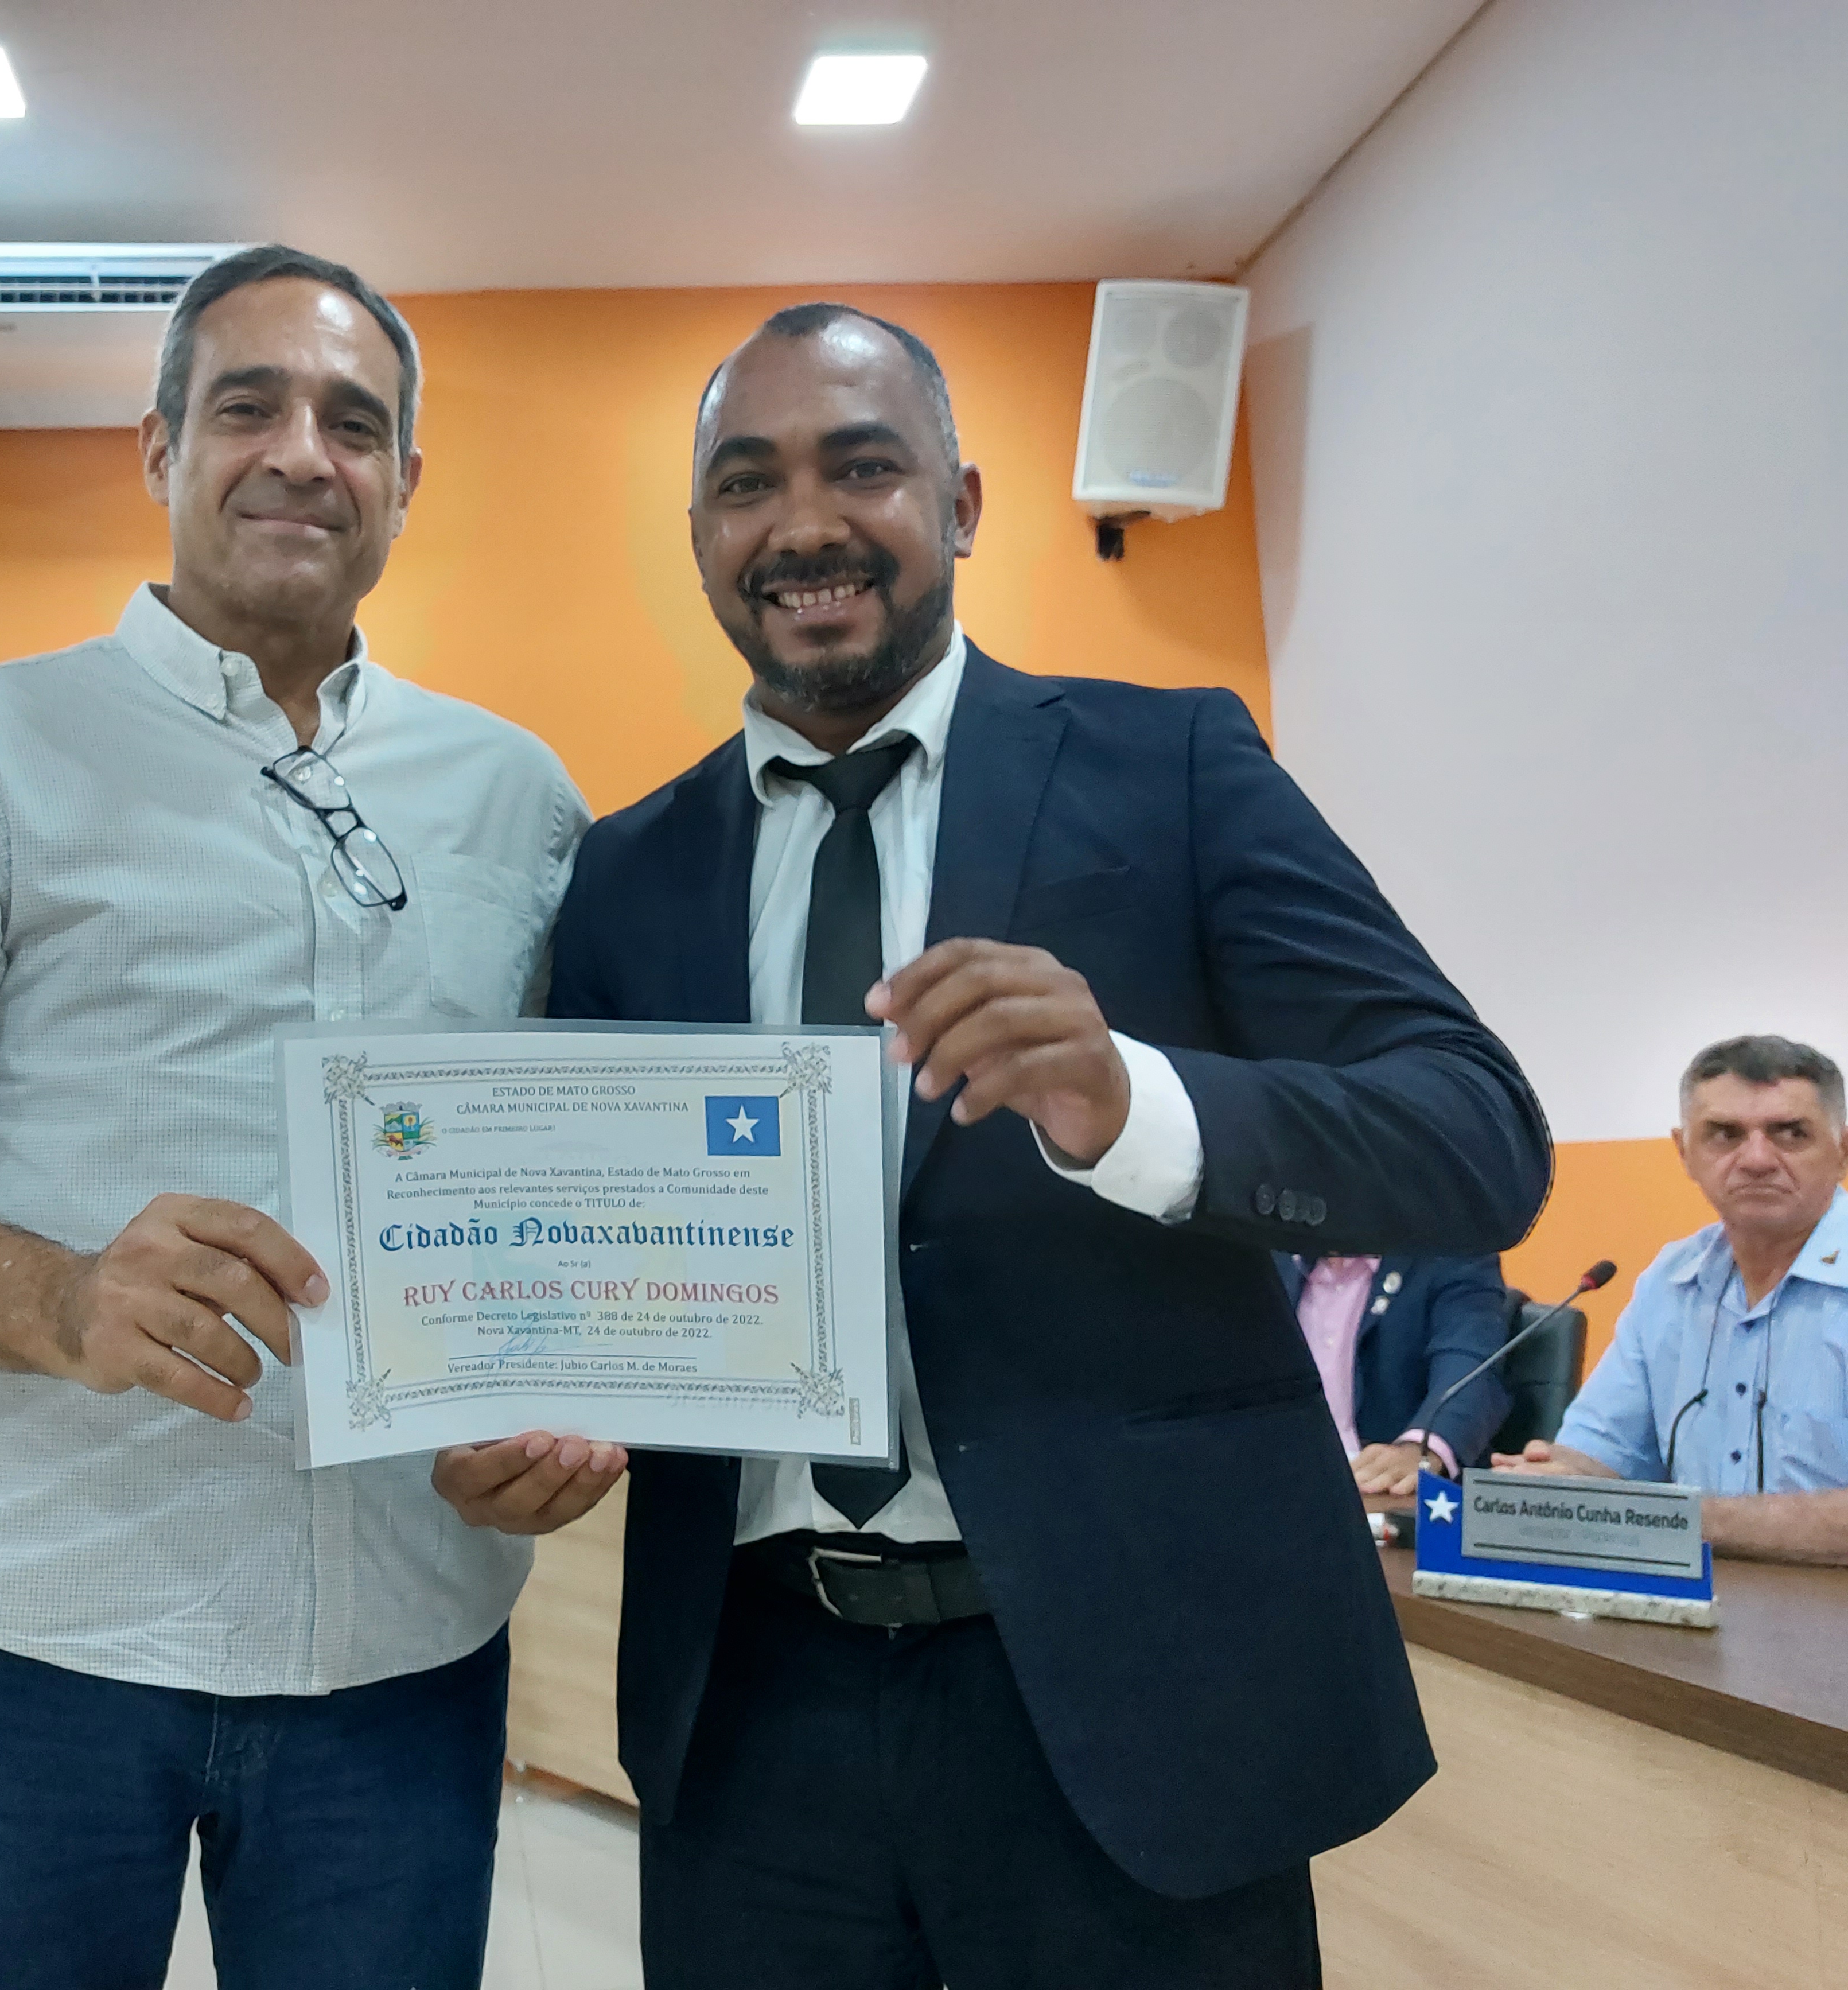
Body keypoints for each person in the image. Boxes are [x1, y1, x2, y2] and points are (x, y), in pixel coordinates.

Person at [542, 302, 1548, 1988]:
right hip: (751, 1718)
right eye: (746, 481)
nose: (802, 521)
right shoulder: (623, 871)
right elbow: (593, 1262)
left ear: (959, 503)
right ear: (700, 533)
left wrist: (1134, 1104)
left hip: (1135, 1703)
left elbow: (1474, 1136)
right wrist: (525, 1411)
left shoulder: (1171, 766)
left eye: (862, 466)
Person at [0, 244, 615, 1990]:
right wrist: (58, 1294)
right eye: (246, 406)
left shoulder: (513, 794)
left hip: (403, 1654)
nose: (300, 452)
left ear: (404, 479)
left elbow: (554, 1181)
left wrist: (547, 1403)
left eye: (350, 422)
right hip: (35, 1637)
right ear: (156, 448)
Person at [1493, 1034, 1848, 1564]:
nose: (1756, 1159)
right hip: (1687, 1599)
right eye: (1725, 1134)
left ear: (1842, 1150)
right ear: (1684, 1153)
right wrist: (1557, 1478)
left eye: (1790, 1133)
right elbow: (1601, 1455)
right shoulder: (1671, 1281)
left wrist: (1678, 1518)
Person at [1278, 1253, 1511, 1495]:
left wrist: (1419, 1450)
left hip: (1383, 1496)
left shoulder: (1455, 1253)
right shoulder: (1267, 1252)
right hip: (1279, 1484)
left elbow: (1472, 1367)